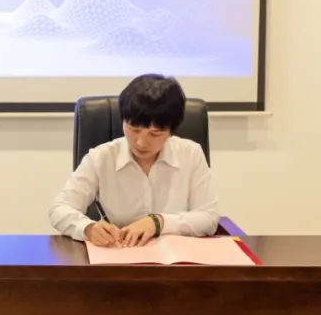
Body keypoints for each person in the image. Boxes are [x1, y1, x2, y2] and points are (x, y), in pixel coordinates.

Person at [49, 74, 218, 247]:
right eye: (134, 129)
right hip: (122, 254)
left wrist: (159, 222)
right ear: (123, 121)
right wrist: (88, 228)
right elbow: (59, 209)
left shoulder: (191, 154)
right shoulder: (101, 158)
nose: (141, 142)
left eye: (155, 133)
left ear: (171, 131)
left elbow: (209, 218)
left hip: (177, 258)